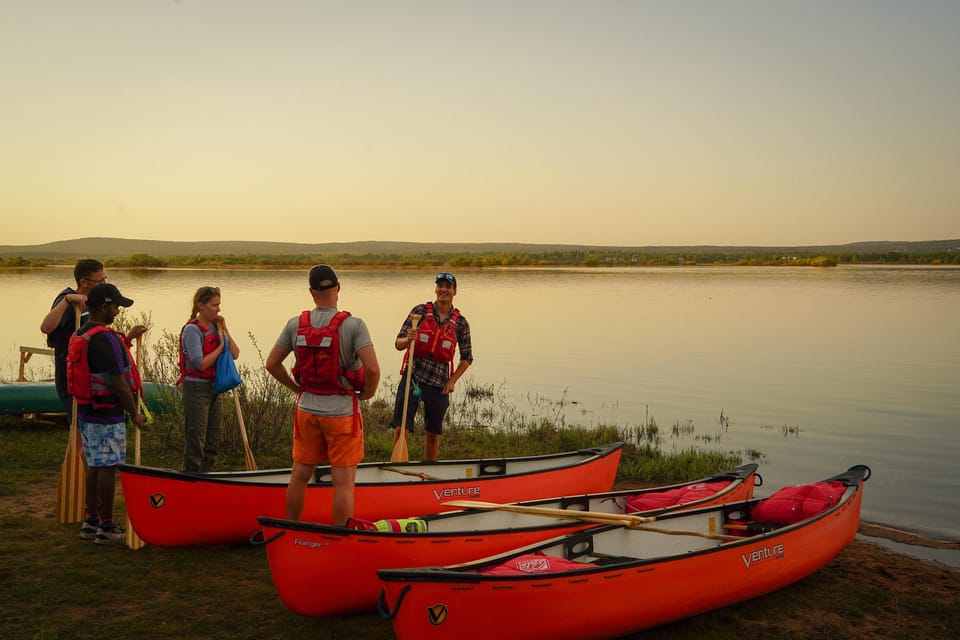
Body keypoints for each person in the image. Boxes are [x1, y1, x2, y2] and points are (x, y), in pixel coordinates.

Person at [265, 265, 380, 525]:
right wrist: (368, 394)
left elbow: (272, 364)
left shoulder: (295, 324)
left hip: (306, 409)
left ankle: (292, 529)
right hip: (341, 414)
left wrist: (296, 389)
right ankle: (342, 536)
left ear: (311, 292)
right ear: (338, 288)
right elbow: (372, 368)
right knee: (343, 483)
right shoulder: (354, 325)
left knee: (299, 475)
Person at [66, 283, 144, 544]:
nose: (118, 311)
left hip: (87, 413)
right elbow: (119, 382)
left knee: (95, 466)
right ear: (103, 307)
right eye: (115, 306)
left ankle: (90, 521)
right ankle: (106, 527)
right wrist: (135, 413)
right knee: (108, 468)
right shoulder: (104, 338)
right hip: (106, 413)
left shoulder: (82, 333)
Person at [40, 259, 146, 418]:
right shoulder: (67, 298)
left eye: (105, 279)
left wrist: (128, 337)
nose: (104, 283)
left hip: (92, 377)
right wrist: (68, 299)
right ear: (84, 282)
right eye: (100, 280)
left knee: (80, 431)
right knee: (78, 428)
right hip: (73, 375)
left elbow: (99, 340)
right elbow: (46, 327)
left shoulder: (95, 303)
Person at [391, 272, 473, 461]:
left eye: (448, 287)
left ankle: (429, 467)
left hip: (439, 382)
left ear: (454, 291)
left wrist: (452, 381)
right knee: (401, 426)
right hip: (413, 377)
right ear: (436, 289)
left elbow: (467, 357)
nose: (443, 290)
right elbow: (398, 343)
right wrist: (408, 338)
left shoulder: (461, 323)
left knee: (433, 431)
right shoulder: (418, 312)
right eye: (440, 286)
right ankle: (398, 466)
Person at [177, 286, 240, 473]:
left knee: (212, 440)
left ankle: (205, 478)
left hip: (214, 388)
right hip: (196, 388)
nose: (218, 310)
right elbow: (200, 364)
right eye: (214, 306)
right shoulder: (192, 330)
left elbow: (235, 354)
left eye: (219, 305)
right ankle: (190, 480)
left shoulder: (215, 327)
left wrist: (224, 328)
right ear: (201, 305)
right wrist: (221, 347)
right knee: (196, 439)